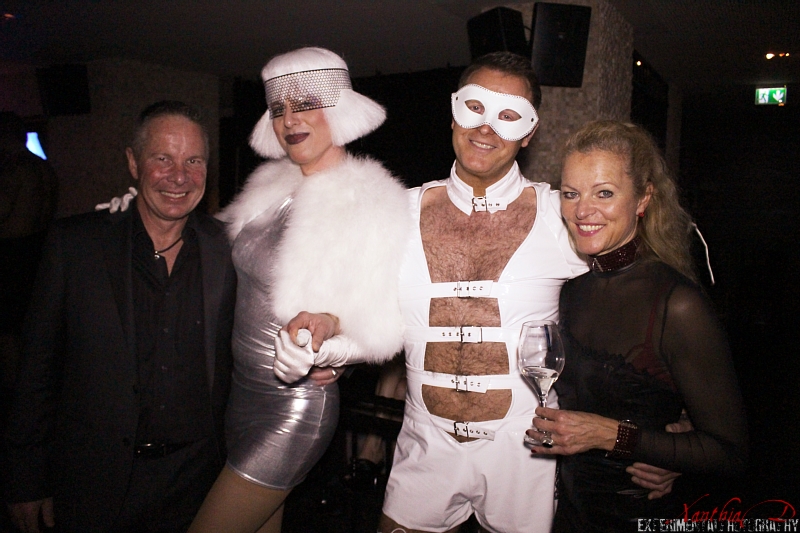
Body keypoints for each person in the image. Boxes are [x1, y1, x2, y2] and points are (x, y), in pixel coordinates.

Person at [285, 52, 684, 533]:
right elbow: (361, 310)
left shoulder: (561, 216)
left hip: (527, 458)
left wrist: (673, 432)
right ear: (455, 112)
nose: (486, 128)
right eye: (475, 108)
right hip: (425, 451)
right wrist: (328, 338)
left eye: (509, 115)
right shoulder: (394, 212)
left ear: (529, 133)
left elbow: (651, 308)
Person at [187, 47, 411, 533]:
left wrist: (332, 347)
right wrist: (147, 224)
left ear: (338, 109)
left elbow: (385, 323)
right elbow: (216, 252)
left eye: (305, 104)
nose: (289, 120)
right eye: (279, 108)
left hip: (293, 407)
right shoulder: (269, 184)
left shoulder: (373, 200)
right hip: (239, 395)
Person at [3, 101, 237, 533]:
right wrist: (26, 478)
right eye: (163, 158)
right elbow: (37, 370)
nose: (180, 176)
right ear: (133, 162)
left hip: (200, 482)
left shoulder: (232, 248)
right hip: (95, 482)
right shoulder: (75, 246)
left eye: (194, 161)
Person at [528, 120, 748, 531]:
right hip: (567, 515)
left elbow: (729, 452)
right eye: (571, 193)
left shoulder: (676, 304)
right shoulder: (571, 289)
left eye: (604, 193)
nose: (582, 210)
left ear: (643, 198)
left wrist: (613, 436)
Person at [0, 112, 58, 403]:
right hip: (39, 247)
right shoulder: (43, 167)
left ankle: (15, 391)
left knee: (9, 324)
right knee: (31, 321)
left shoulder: (13, 170)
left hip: (14, 252)